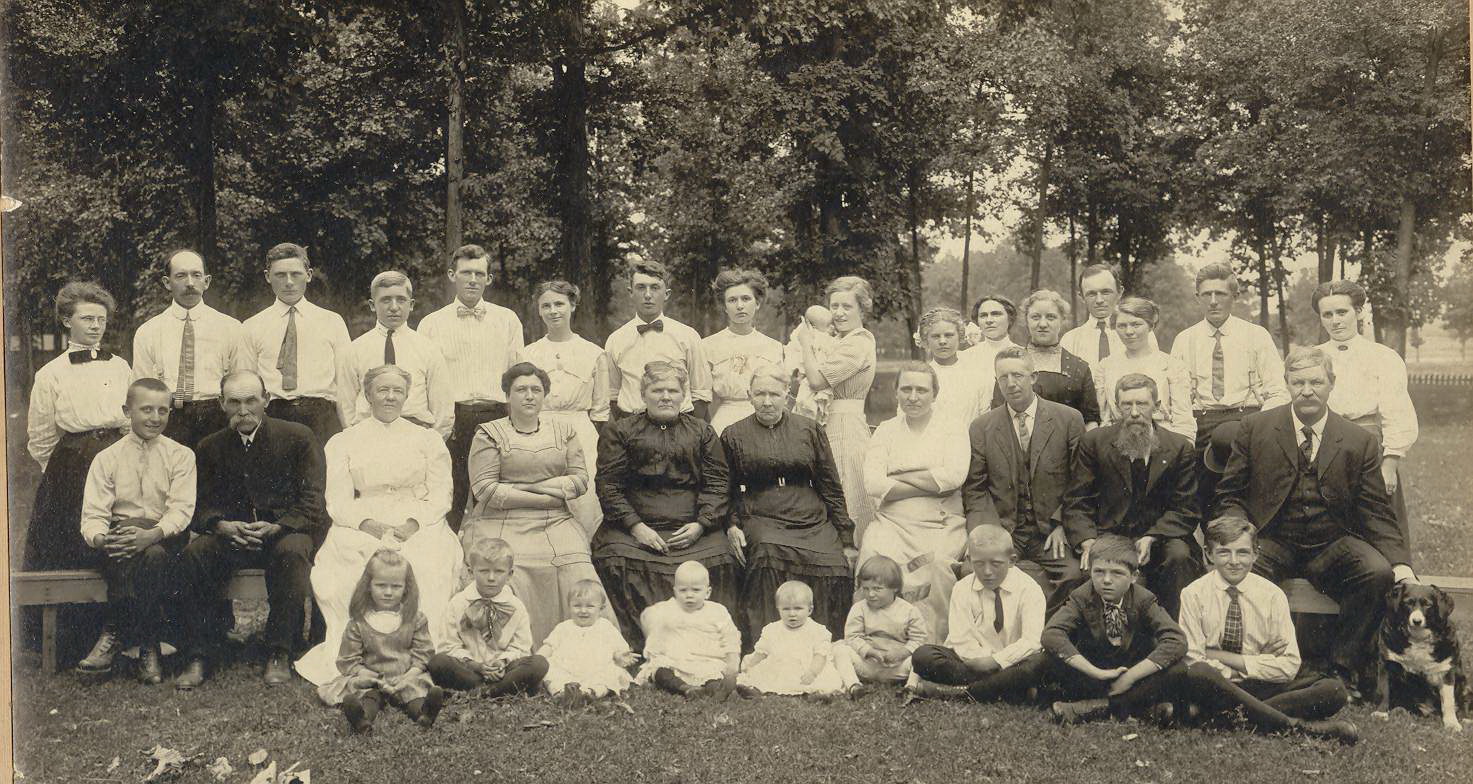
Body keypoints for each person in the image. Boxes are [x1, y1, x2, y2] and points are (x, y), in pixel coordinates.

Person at [1214, 346, 1413, 696]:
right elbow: (1230, 494)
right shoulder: (1255, 428)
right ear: (1286, 384)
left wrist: (1400, 563)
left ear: (1331, 383)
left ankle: (1342, 671)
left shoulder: (1359, 440)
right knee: (1240, 568)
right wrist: (1238, 535)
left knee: (1376, 572)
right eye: (1298, 382)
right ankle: (1257, 669)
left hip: (1332, 542)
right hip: (1272, 538)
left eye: (1316, 382)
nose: (1307, 390)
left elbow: (1375, 510)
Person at [296, 365, 463, 686]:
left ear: (406, 395)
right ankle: (360, 653)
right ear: (368, 394)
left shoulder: (427, 439)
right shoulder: (344, 441)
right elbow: (337, 500)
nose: (390, 397)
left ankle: (421, 653)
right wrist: (366, 524)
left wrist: (414, 524)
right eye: (382, 390)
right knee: (351, 560)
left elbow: (442, 495)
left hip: (419, 518)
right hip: (363, 518)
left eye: (397, 391)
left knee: (427, 560)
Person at [174, 370, 328, 689]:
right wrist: (220, 525)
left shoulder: (298, 437)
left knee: (294, 552)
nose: (243, 411)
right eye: (234, 402)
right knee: (194, 555)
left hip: (283, 532)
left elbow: (313, 501)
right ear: (221, 404)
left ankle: (279, 650)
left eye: (251, 401)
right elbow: (198, 504)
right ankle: (199, 653)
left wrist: (279, 525)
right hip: (232, 536)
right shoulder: (209, 447)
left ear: (266, 401)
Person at [592, 361, 738, 649]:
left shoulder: (702, 431)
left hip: (691, 523)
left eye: (673, 390)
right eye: (657, 390)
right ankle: (636, 645)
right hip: (634, 523)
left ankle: (704, 644)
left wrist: (702, 524)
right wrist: (636, 527)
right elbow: (609, 486)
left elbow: (718, 484)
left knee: (722, 557)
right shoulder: (620, 432)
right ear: (643, 394)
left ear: (684, 395)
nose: (666, 396)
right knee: (615, 557)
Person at [462, 361, 610, 645]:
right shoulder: (488, 433)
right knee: (505, 567)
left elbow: (579, 481)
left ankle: (585, 645)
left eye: (536, 389)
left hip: (555, 519)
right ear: (507, 396)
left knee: (576, 563)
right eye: (521, 390)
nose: (529, 396)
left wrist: (524, 487)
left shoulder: (564, 431)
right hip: (501, 519)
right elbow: (485, 490)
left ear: (545, 395)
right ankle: (510, 648)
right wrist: (548, 490)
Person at [1176, 517, 1358, 744]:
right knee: (1199, 673)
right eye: (1224, 553)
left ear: (1256, 554)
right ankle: (1298, 727)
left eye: (1242, 553)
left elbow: (1290, 665)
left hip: (1260, 686)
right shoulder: (1193, 594)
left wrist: (1226, 658)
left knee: (1334, 690)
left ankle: (1223, 720)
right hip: (1216, 688)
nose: (1234, 561)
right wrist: (1250, 667)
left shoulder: (1272, 596)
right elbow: (1194, 660)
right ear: (1208, 555)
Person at [75, 378, 196, 683]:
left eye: (163, 411)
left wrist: (152, 534)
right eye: (146, 410)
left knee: (154, 552)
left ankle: (114, 632)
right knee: (146, 555)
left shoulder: (181, 455)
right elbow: (93, 516)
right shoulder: (107, 459)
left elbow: (181, 510)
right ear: (126, 410)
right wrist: (103, 539)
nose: (155, 418)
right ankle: (149, 645)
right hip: (119, 542)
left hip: (165, 536)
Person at [722, 366, 855, 642]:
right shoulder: (733, 434)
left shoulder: (809, 429)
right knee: (767, 553)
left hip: (808, 511)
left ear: (787, 396)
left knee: (833, 562)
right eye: (760, 394)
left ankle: (825, 644)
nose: (767, 401)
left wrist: (845, 536)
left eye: (774, 394)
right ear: (749, 396)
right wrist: (732, 523)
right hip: (760, 512)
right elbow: (726, 486)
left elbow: (830, 483)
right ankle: (767, 644)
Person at [1062, 373, 1202, 619]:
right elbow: (1077, 500)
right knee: (1086, 569)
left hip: (1161, 538)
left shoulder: (1179, 447)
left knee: (1179, 557)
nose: (1135, 412)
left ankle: (1173, 633)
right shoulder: (1095, 442)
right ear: (1118, 407)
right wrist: (1087, 541)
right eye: (1127, 405)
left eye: (1142, 404)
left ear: (1156, 407)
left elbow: (1186, 509)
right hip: (1110, 536)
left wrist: (1152, 537)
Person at [963, 347, 1086, 612]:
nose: (1011, 383)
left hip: (1052, 529)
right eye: (1003, 377)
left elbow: (1081, 483)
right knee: (970, 573)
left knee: (1073, 576)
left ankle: (1046, 635)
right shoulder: (982, 427)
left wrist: (1063, 523)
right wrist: (988, 531)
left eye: (1018, 375)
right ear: (996, 382)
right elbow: (975, 489)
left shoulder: (1068, 419)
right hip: (1005, 527)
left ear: (1033, 377)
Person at [418, 245, 526, 530]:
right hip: (452, 418)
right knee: (450, 494)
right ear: (452, 275)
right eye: (466, 273)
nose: (473, 280)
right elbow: (424, 379)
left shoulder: (507, 320)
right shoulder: (432, 324)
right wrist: (439, 423)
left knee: (491, 495)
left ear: (489, 279)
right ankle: (449, 563)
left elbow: (516, 374)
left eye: (480, 273)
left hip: (496, 416)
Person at [860, 363, 970, 642]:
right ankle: (879, 641)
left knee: (937, 565)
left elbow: (954, 477)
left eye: (922, 390)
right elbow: (873, 484)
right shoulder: (885, 430)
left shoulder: (952, 428)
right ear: (896, 392)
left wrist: (898, 476)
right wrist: (930, 481)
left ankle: (933, 645)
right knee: (874, 557)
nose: (913, 396)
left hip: (940, 521)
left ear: (934, 394)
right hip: (892, 521)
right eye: (906, 389)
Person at [25, 282, 131, 570]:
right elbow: (41, 435)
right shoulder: (51, 374)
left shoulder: (120, 367)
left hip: (116, 457)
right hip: (72, 465)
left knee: (118, 533)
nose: (96, 326)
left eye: (101, 320)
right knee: (71, 543)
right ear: (67, 320)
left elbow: (131, 418)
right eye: (87, 319)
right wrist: (60, 473)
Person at [1169, 262, 1288, 518]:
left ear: (1234, 296)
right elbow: (1178, 399)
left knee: (1249, 499)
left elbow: (1277, 391)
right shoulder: (1184, 340)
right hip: (1201, 422)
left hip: (1247, 420)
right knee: (1203, 501)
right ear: (1197, 298)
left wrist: (1260, 429)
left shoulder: (1256, 336)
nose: (1213, 301)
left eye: (1220, 294)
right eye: (1206, 294)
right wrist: (1185, 439)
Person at [1041, 535, 1188, 724]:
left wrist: (1131, 677)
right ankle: (1139, 710)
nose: (1107, 580)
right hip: (1093, 673)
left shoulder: (1144, 599)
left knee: (1179, 669)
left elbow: (1176, 640)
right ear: (1090, 571)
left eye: (1117, 573)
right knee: (1047, 658)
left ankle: (1096, 707)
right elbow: (1052, 634)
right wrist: (1096, 672)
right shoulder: (1081, 596)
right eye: (1099, 572)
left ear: (1134, 577)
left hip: (1131, 675)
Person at [1313, 280, 1417, 545]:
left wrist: (1390, 463)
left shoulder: (1383, 357)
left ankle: (1396, 576)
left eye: (1342, 312)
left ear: (1358, 311)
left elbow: (1397, 412)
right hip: (1324, 443)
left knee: (1380, 520)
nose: (1335, 321)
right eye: (1327, 314)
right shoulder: (1313, 357)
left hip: (1369, 446)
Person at [909, 525, 1049, 703]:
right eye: (979, 563)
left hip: (1013, 663)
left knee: (1038, 663)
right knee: (923, 656)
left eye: (996, 564)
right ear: (969, 559)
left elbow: (1031, 641)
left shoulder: (1029, 590)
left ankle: (963, 692)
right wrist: (982, 660)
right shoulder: (962, 589)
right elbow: (961, 639)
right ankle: (1003, 689)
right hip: (973, 663)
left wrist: (995, 661)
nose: (987, 571)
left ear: (1012, 560)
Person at [317, 549, 445, 733]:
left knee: (415, 691)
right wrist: (371, 677)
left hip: (405, 675)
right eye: (381, 585)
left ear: (406, 588)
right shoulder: (359, 622)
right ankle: (362, 719)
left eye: (395, 587)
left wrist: (408, 676)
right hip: (372, 677)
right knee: (368, 695)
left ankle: (424, 714)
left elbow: (423, 654)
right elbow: (349, 659)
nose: (388, 592)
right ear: (368, 586)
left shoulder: (415, 619)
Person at [519, 280, 610, 535]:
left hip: (581, 433)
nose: (553, 311)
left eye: (559, 304)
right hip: (539, 431)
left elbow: (601, 410)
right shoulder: (528, 354)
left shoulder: (593, 353)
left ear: (572, 306)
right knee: (540, 495)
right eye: (546, 305)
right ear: (538, 310)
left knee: (584, 500)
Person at [131, 249, 247, 449]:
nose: (190, 283)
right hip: (169, 418)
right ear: (167, 283)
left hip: (217, 417)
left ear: (207, 281)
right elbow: (142, 388)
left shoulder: (231, 328)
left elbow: (241, 381)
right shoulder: (148, 331)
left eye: (196, 275)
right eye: (181, 276)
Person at [792, 276, 878, 541]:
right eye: (834, 306)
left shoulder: (859, 343)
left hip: (844, 425)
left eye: (847, 307)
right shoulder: (838, 340)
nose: (839, 313)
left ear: (862, 309)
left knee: (846, 492)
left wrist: (805, 343)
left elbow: (817, 380)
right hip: (826, 421)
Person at [240, 243, 352, 446]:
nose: (289, 282)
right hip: (273, 415)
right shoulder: (252, 326)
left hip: (321, 417)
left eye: (296, 274)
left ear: (308, 275)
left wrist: (349, 430)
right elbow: (247, 385)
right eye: (280, 275)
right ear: (267, 277)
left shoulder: (331, 322)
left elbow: (345, 382)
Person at [427, 538, 550, 698]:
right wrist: (476, 666)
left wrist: (502, 663)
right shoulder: (458, 603)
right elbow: (448, 646)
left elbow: (521, 647)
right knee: (438, 662)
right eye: (484, 571)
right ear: (471, 572)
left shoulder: (516, 606)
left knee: (539, 663)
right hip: (470, 671)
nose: (491, 578)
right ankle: (497, 691)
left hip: (504, 672)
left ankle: (486, 691)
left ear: (510, 574)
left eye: (499, 571)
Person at [337, 271, 454, 439]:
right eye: (385, 300)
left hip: (417, 435)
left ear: (411, 304)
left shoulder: (428, 349)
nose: (393, 307)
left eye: (401, 300)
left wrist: (432, 444)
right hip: (368, 436)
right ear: (372, 305)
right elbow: (345, 404)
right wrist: (356, 442)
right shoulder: (355, 350)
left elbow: (443, 407)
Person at [605, 258, 712, 421]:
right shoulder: (616, 340)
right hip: (632, 428)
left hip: (679, 426)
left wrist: (687, 430)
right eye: (641, 287)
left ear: (666, 294)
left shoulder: (688, 336)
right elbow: (613, 394)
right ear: (631, 292)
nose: (648, 295)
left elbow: (701, 393)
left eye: (655, 288)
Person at [994, 290, 1100, 428]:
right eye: (1036, 317)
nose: (1043, 324)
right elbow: (997, 417)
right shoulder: (1009, 365)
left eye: (1050, 317)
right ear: (1026, 320)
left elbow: (1090, 421)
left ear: (1062, 320)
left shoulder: (1079, 368)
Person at [637, 561, 741, 700]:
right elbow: (647, 616)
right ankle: (686, 688)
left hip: (706, 661)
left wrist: (732, 661)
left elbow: (730, 636)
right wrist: (653, 630)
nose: (689, 595)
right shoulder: (669, 608)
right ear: (675, 591)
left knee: (714, 675)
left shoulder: (717, 611)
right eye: (683, 590)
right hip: (676, 661)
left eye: (696, 590)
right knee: (660, 671)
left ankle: (716, 689)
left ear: (707, 592)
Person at [1097, 297, 1196, 439]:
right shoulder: (1106, 366)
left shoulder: (1172, 366)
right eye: (1122, 326)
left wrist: (1177, 452)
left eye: (1136, 324)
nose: (1129, 331)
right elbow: (1104, 419)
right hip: (1119, 440)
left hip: (1162, 440)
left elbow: (1184, 422)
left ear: (1151, 326)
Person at [703, 268, 784, 434]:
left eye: (746, 299)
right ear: (724, 306)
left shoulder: (774, 347)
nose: (740, 306)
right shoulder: (708, 346)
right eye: (732, 300)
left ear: (757, 303)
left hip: (763, 422)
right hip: (724, 422)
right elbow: (702, 397)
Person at [735, 581, 847, 698]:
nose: (792, 614)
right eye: (786, 609)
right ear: (778, 609)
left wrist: (812, 673)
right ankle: (753, 689)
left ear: (809, 610)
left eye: (798, 609)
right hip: (780, 668)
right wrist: (751, 666)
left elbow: (820, 655)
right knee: (759, 675)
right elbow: (762, 652)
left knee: (823, 681)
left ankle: (816, 693)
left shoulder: (817, 630)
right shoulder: (772, 629)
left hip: (808, 668)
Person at [537, 579, 638, 706]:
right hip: (566, 670)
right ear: (569, 606)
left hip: (597, 669)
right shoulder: (564, 627)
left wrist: (619, 656)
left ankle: (591, 693)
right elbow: (549, 646)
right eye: (577, 605)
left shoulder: (605, 627)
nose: (583, 610)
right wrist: (538, 659)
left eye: (590, 606)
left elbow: (616, 648)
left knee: (612, 673)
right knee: (550, 671)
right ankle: (563, 693)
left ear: (600, 609)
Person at [833, 555, 929, 686]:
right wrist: (869, 651)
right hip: (868, 665)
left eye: (877, 589)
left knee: (921, 658)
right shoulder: (859, 608)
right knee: (840, 650)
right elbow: (852, 636)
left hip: (897, 667)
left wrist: (902, 653)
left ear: (894, 588)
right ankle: (853, 685)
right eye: (866, 589)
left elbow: (919, 639)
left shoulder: (909, 611)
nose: (870, 594)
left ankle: (911, 687)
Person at [1060, 264, 1156, 367]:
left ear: (1119, 292)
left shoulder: (1142, 334)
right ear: (1082, 297)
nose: (1099, 300)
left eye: (1106, 292)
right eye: (1091, 294)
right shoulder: (1070, 340)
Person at [913, 306, 990, 425]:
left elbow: (986, 417)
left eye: (949, 335)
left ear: (960, 337)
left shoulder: (977, 373)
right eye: (936, 336)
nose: (942, 341)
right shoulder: (920, 377)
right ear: (926, 340)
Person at [788, 305, 837, 425]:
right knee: (810, 402)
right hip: (811, 375)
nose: (832, 327)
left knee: (808, 402)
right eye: (828, 325)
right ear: (813, 326)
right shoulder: (821, 338)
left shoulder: (800, 334)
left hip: (808, 375)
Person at [960, 293, 1022, 368]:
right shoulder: (966, 357)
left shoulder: (1022, 354)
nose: (989, 320)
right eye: (983, 315)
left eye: (996, 314)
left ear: (1010, 319)